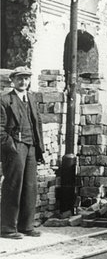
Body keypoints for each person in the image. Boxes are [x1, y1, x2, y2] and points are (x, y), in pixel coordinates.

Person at [1, 66, 45, 239]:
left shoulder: (32, 99)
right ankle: (7, 228)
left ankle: (26, 226)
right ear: (12, 80)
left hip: (31, 147)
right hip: (15, 147)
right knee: (13, 186)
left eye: (26, 78)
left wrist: (39, 147)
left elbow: (37, 124)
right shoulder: (4, 100)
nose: (23, 82)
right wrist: (10, 146)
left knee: (30, 186)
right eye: (19, 78)